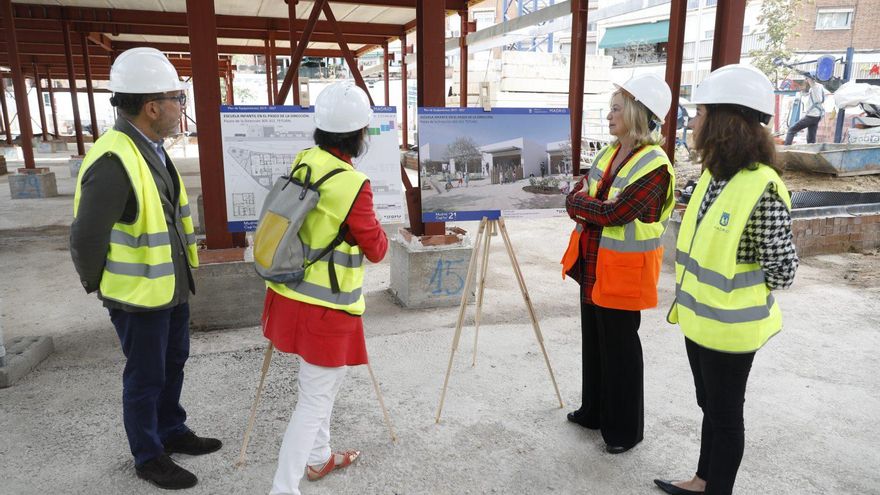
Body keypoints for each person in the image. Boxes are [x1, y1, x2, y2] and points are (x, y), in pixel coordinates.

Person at [69, 47, 220, 490]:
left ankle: (171, 429)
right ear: (152, 107)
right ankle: (149, 455)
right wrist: (100, 284)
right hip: (137, 296)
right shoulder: (113, 160)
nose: (180, 107)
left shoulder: (149, 148)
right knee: (145, 375)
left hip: (169, 287)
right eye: (177, 98)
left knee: (172, 363)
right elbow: (86, 237)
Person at [654, 64, 798, 495]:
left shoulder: (761, 188)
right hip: (700, 322)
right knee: (710, 407)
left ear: (723, 121)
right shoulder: (714, 177)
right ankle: (703, 480)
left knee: (726, 416)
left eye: (700, 113)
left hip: (731, 329)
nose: (692, 122)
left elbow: (783, 270)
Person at [263, 81, 388, 495]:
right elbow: (377, 249)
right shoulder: (354, 184)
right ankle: (284, 488)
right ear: (359, 134)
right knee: (315, 399)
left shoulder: (305, 159)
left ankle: (319, 459)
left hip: (289, 292)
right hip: (326, 308)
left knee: (317, 388)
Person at [561, 73, 675, 454]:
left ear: (638, 114)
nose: (609, 115)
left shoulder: (654, 165)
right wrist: (588, 204)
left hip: (623, 272)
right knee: (594, 343)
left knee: (621, 352)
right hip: (593, 266)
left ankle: (625, 431)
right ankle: (593, 411)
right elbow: (579, 197)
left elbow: (618, 213)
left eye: (616, 109)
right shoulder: (608, 153)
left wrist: (584, 204)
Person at [784, 73, 825, 145]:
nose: (806, 80)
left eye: (807, 79)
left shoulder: (815, 87)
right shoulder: (820, 87)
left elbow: (811, 80)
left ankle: (786, 147)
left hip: (811, 116)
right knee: (811, 138)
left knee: (791, 130)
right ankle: (811, 149)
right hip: (817, 116)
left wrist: (807, 75)